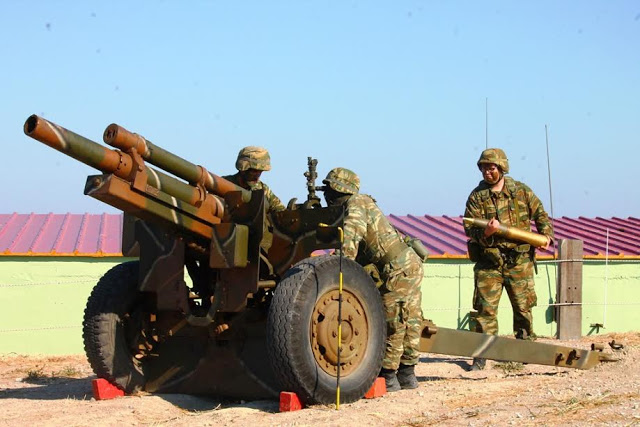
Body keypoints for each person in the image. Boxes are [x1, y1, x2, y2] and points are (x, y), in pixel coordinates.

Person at [322, 167, 424, 392]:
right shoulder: (364, 202)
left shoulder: (356, 204)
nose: (326, 196)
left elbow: (351, 237)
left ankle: (388, 376)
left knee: (394, 321)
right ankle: (407, 375)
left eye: (328, 190)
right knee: (409, 319)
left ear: (339, 190)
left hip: (398, 269)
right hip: (406, 265)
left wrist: (335, 264)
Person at [464, 148, 553, 371]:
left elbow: (541, 214)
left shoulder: (521, 192)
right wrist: (485, 234)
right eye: (484, 167)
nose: (487, 172)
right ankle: (482, 355)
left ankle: (525, 351)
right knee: (485, 311)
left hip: (519, 262)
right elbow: (469, 228)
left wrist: (546, 236)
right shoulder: (476, 197)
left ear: (502, 168)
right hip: (489, 263)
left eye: (491, 168)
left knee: (523, 309)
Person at [223, 146, 285, 214]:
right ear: (243, 169)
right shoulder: (224, 184)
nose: (257, 176)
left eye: (260, 171)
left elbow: (281, 211)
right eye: (254, 171)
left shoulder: (264, 190)